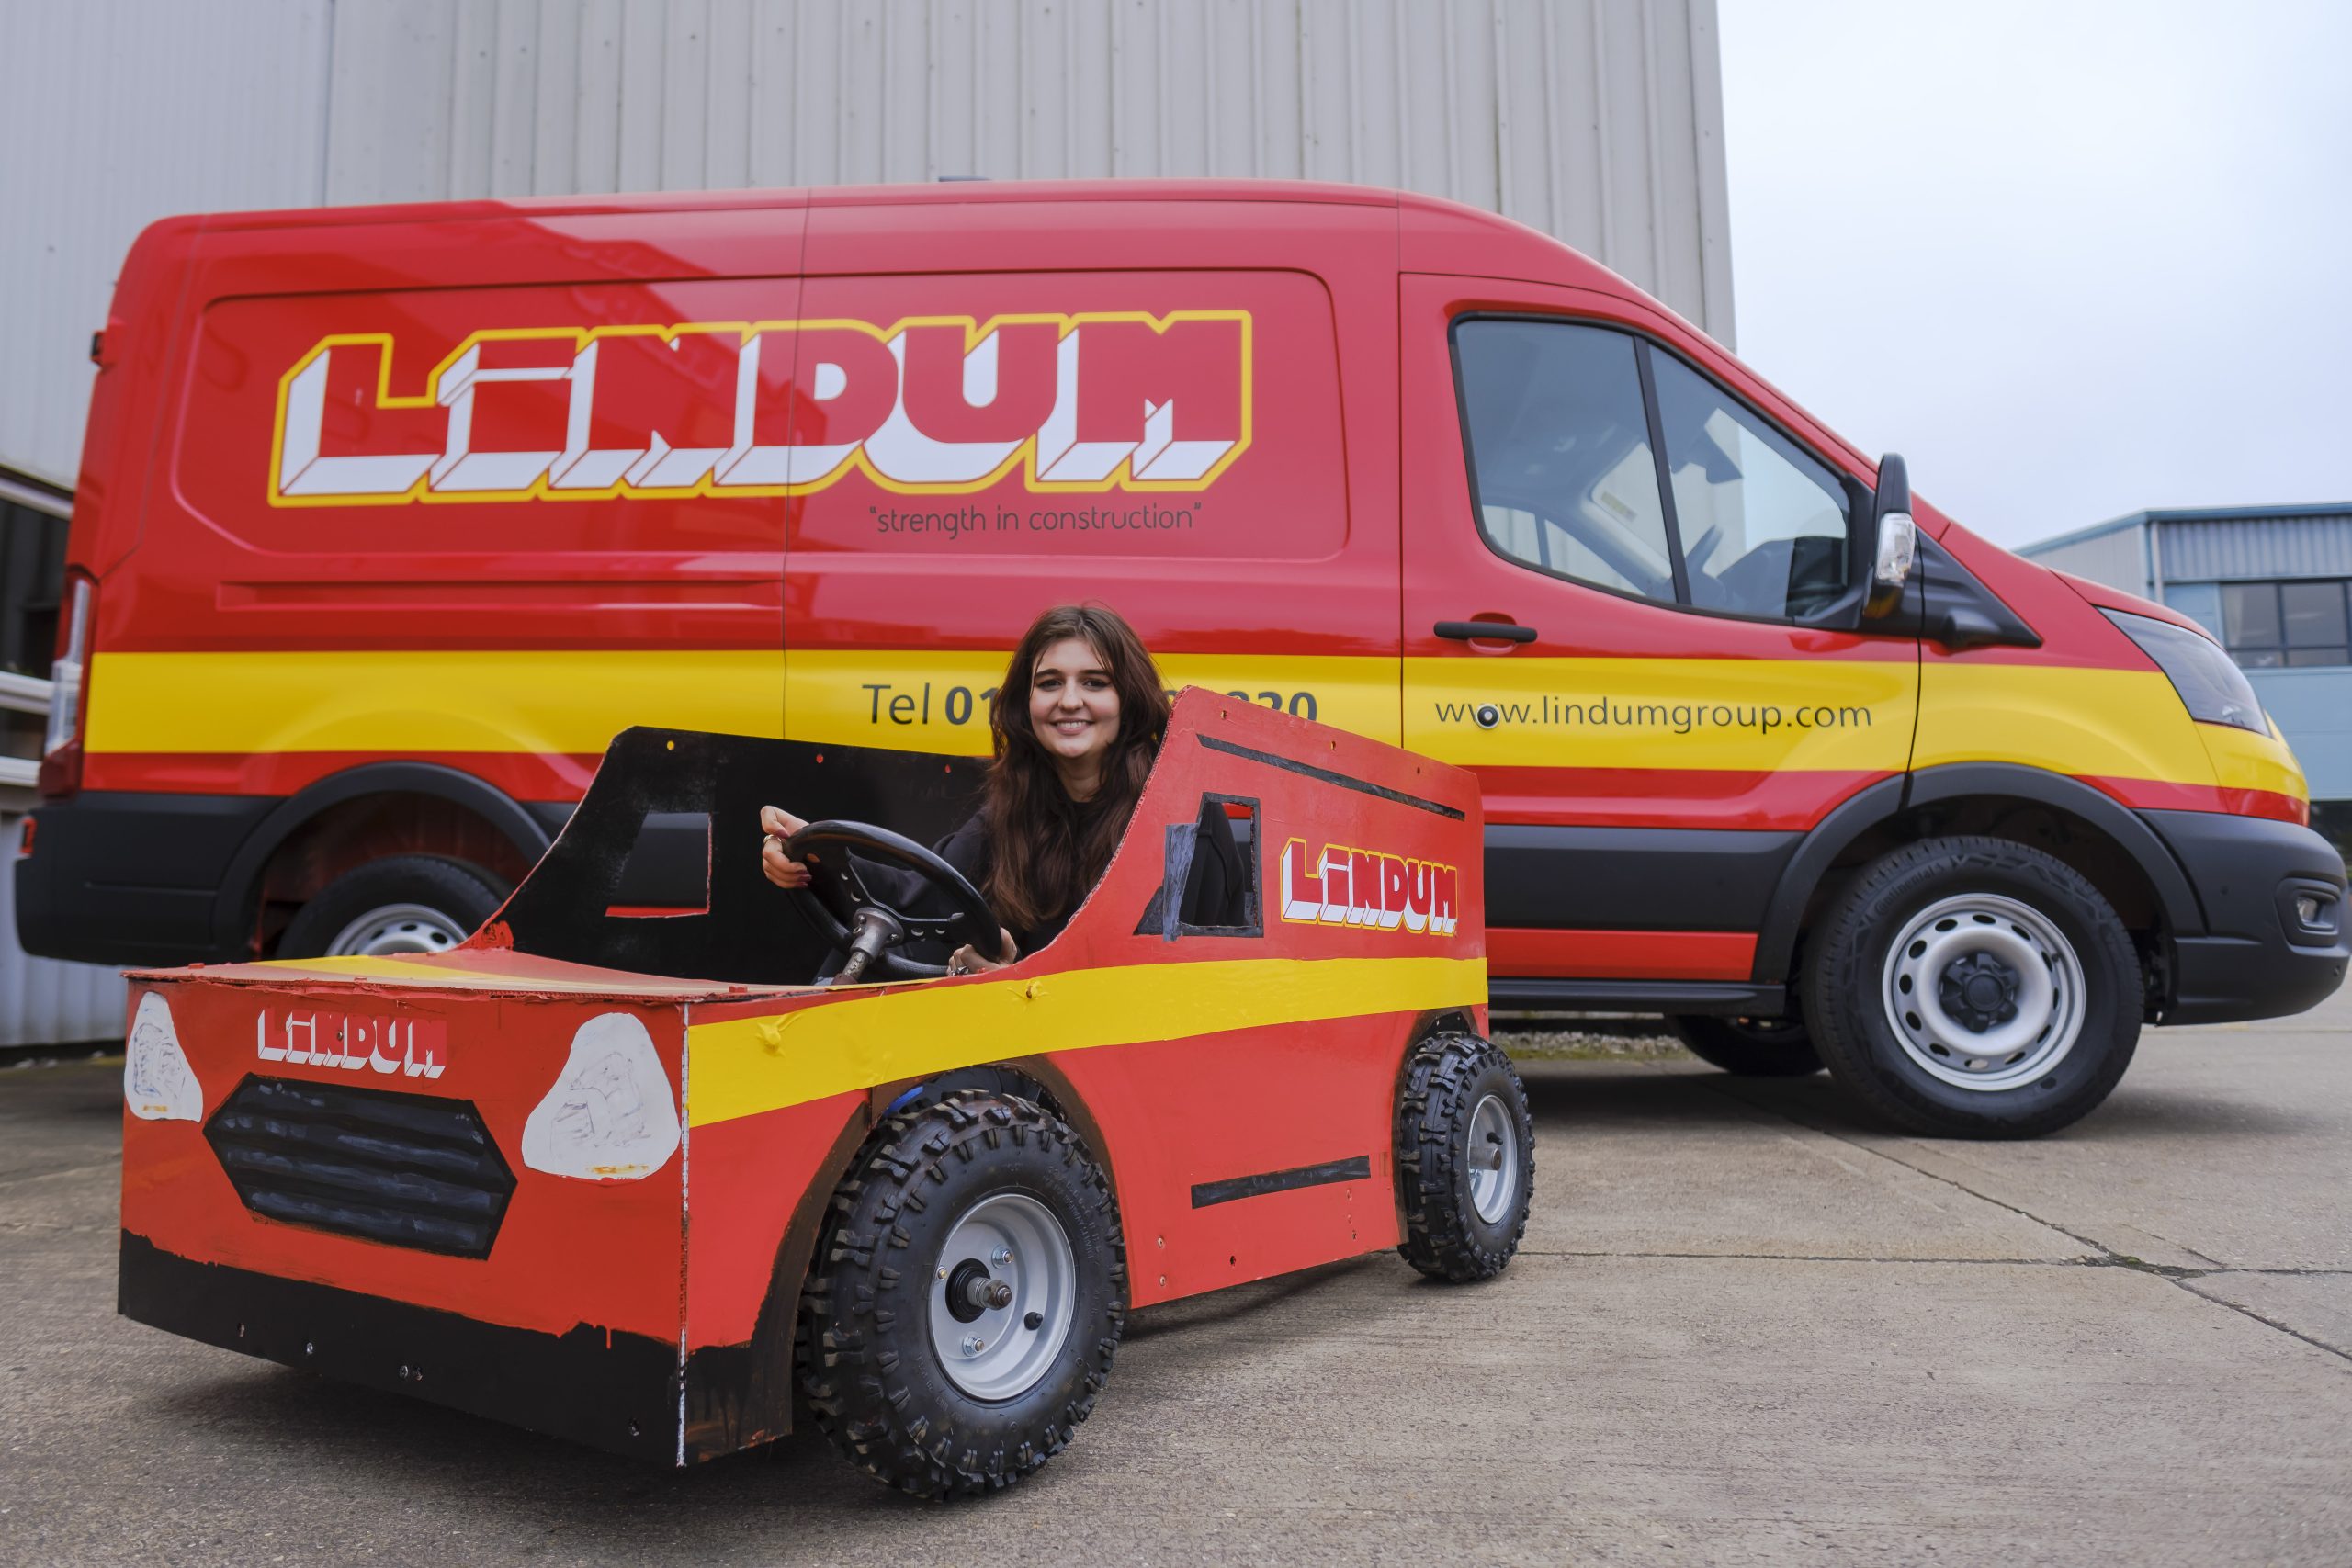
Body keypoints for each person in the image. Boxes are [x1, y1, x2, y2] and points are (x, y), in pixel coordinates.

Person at [760, 604, 1170, 975]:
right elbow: (914, 897)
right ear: (1026, 706)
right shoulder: (1009, 816)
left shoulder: (1179, 819)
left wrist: (1015, 977)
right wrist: (816, 856)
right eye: (1049, 683)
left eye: (1094, 683)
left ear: (1128, 700)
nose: (1068, 700)